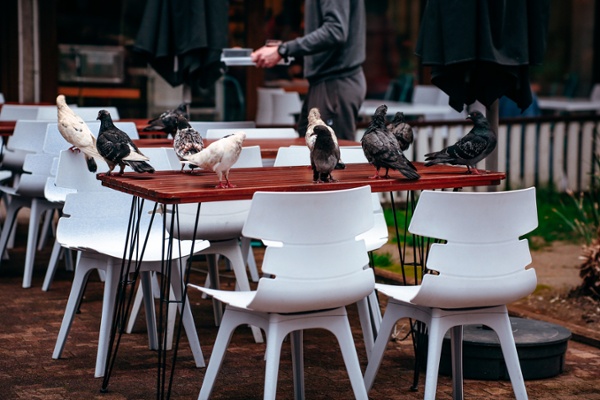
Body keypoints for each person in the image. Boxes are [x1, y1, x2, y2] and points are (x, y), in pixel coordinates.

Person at [251, 0, 366, 141]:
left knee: (328, 156)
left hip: (334, 81)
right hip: (327, 81)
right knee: (309, 150)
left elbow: (335, 31)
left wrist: (284, 50)